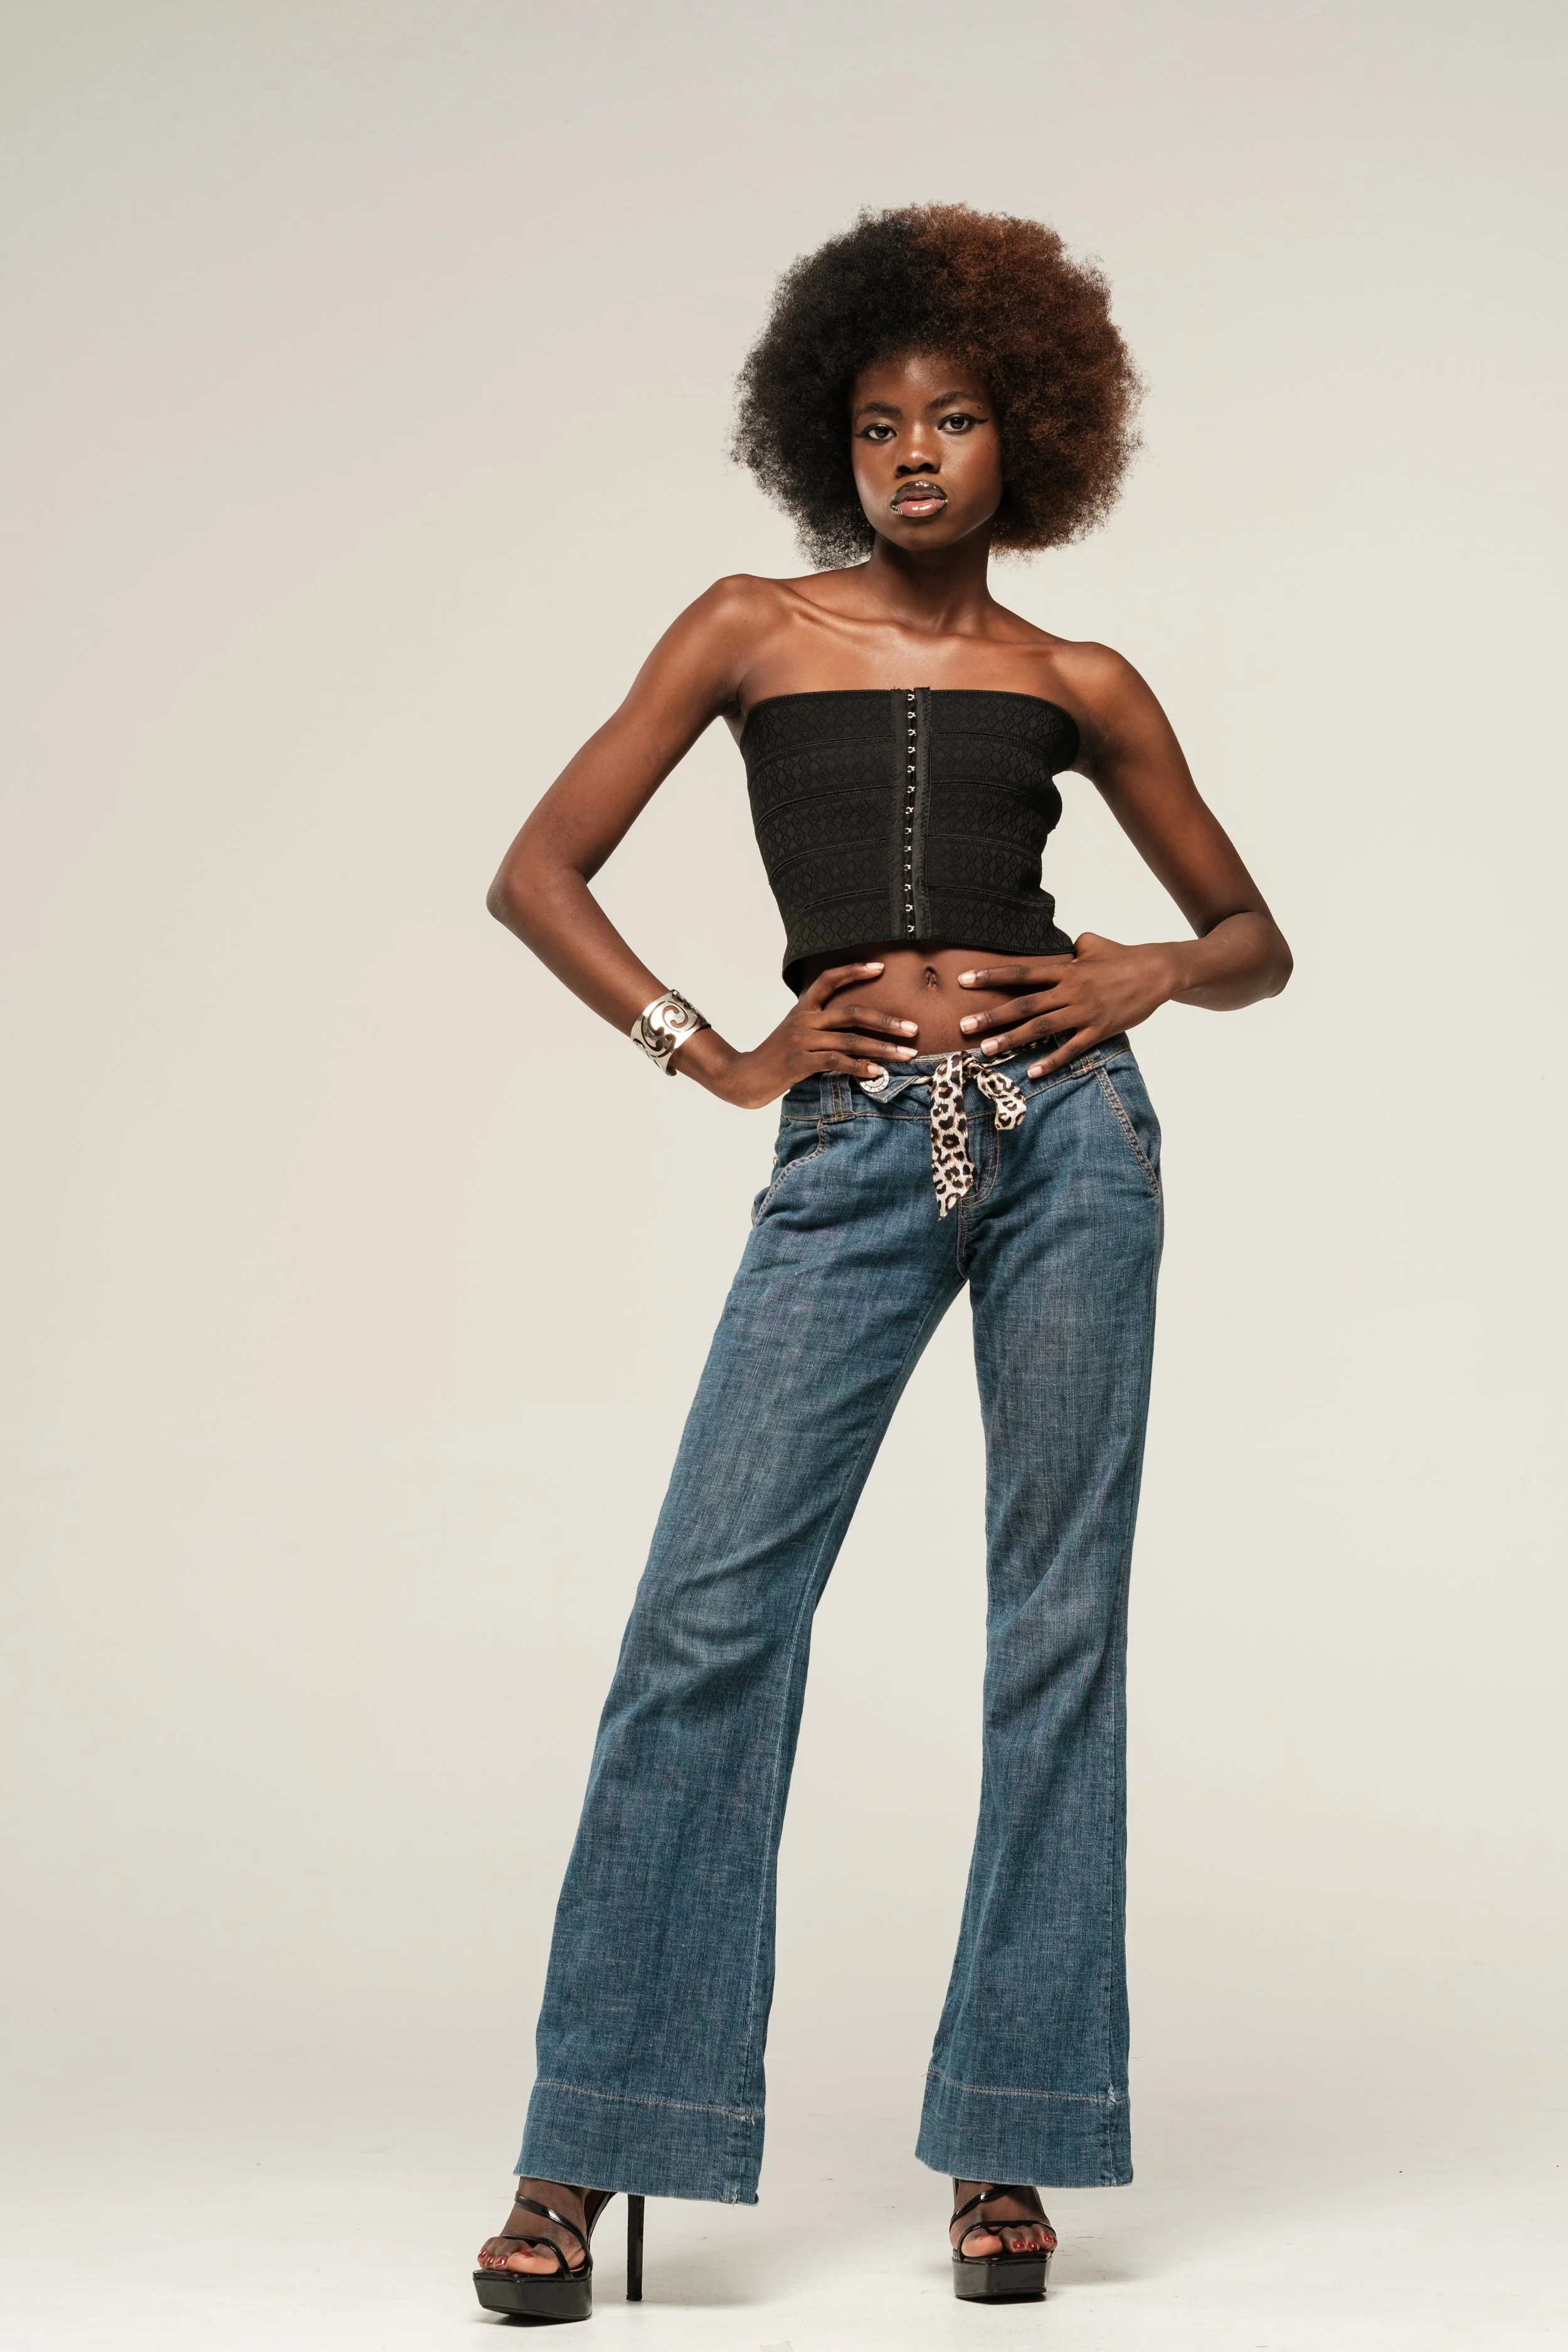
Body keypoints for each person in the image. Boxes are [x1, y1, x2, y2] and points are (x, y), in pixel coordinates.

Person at [473, 203, 1292, 2322]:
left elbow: (1253, 940)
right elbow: (536, 871)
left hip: (1071, 1147)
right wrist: (723, 1053)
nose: (911, 453)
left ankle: (1009, 2133)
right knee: (707, 1618)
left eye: (951, 419)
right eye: (873, 423)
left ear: (1033, 438)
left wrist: (1139, 973)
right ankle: (593, 2135)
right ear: (822, 441)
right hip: (850, 1144)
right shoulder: (744, 627)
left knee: (1054, 1628)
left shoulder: (1078, 680)